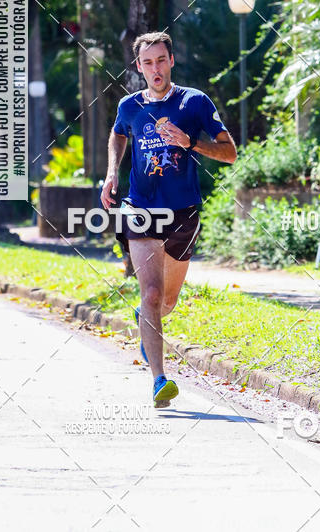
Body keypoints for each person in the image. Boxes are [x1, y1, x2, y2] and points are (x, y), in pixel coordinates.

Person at [101, 31, 237, 407]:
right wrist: (112, 171)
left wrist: (189, 142)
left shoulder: (194, 102)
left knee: (169, 298)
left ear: (171, 61)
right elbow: (117, 136)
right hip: (141, 208)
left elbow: (230, 153)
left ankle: (148, 324)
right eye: (147, 62)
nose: (155, 68)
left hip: (183, 211)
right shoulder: (129, 106)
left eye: (161, 60)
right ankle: (160, 380)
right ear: (139, 66)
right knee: (153, 292)